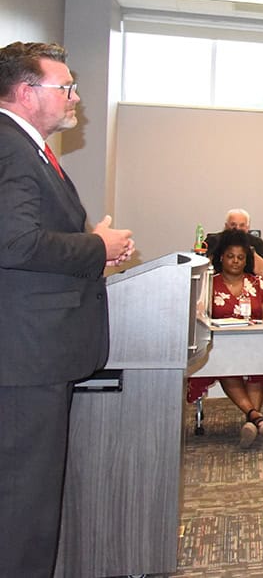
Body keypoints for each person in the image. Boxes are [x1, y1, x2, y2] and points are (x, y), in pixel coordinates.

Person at [0, 40, 135, 576]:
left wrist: (91, 251)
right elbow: (15, 243)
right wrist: (95, 247)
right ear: (27, 92)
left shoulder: (26, 148)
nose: (76, 96)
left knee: (27, 500)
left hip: (32, 354)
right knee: (22, 506)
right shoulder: (11, 147)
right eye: (66, 87)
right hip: (25, 358)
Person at [187, 230, 263, 449]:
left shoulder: (258, 283)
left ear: (246, 260)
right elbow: (199, 316)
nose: (236, 261)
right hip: (220, 345)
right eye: (230, 256)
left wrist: (258, 328)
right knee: (226, 364)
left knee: (259, 365)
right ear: (221, 257)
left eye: (240, 257)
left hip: (253, 343)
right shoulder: (209, 284)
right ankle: (255, 416)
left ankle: (252, 420)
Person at [215, 208, 263, 277]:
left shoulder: (257, 242)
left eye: (242, 225)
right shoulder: (215, 240)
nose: (237, 228)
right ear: (226, 226)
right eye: (233, 225)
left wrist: (249, 249)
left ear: (247, 228)